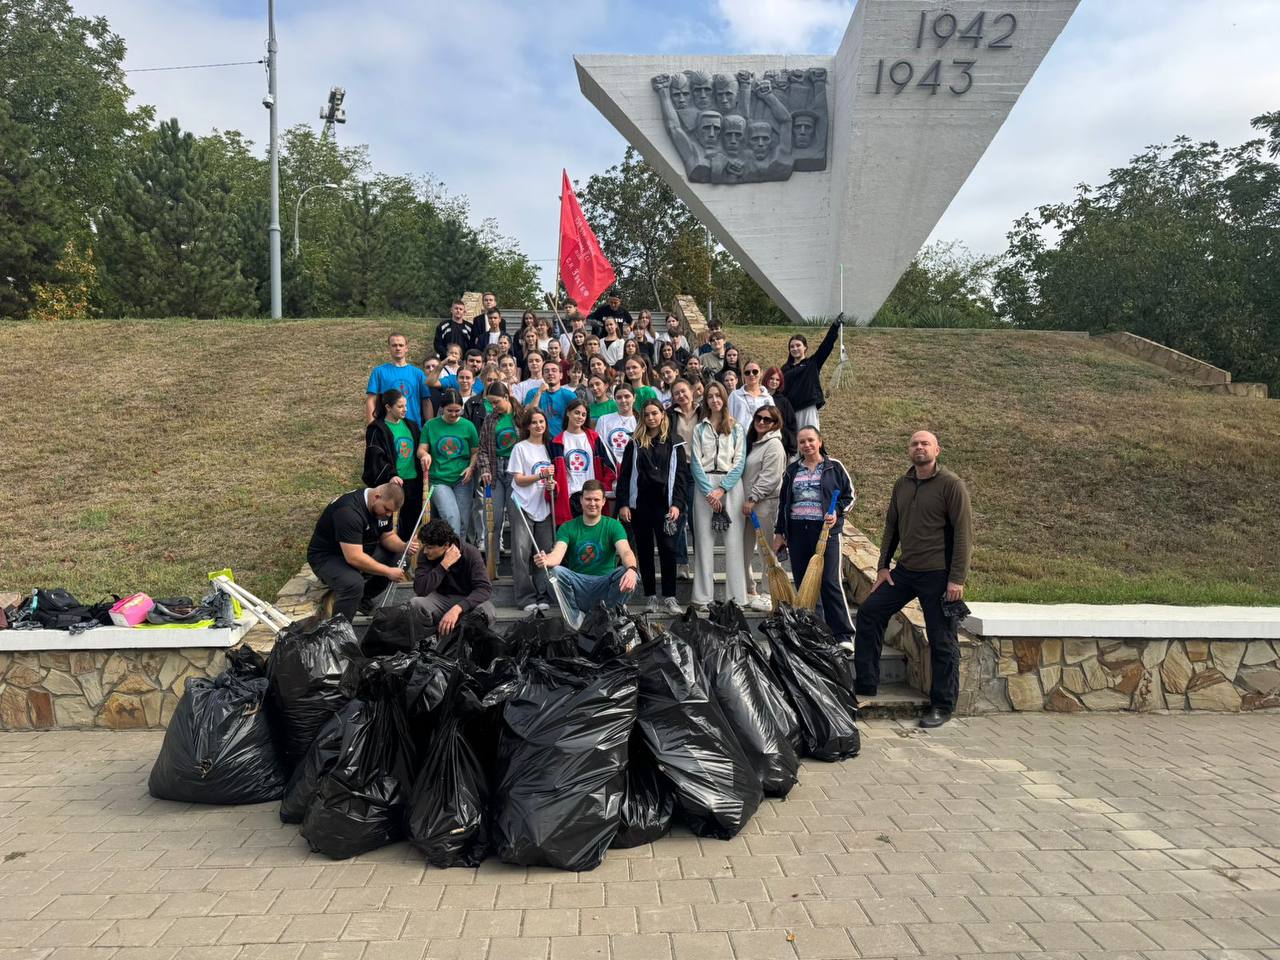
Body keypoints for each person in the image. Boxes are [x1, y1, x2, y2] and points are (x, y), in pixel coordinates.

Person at [855, 430, 973, 729]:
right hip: (905, 572)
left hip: (939, 574)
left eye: (925, 444)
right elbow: (891, 527)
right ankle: (866, 684)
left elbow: (963, 535)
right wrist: (883, 567)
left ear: (937, 450)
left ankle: (942, 705)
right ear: (909, 450)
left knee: (942, 639)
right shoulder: (902, 484)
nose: (919, 447)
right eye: (915, 444)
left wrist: (956, 579)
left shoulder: (951, 485)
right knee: (870, 611)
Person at [773, 425, 856, 643]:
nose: (807, 445)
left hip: (826, 532)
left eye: (811, 440)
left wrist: (837, 512)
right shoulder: (792, 470)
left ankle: (843, 634)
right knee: (805, 583)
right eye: (802, 442)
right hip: (798, 532)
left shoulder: (834, 467)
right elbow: (784, 504)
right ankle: (815, 632)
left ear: (820, 441)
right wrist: (780, 532)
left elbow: (849, 497)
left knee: (830, 582)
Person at [535, 480, 638, 629]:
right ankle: (575, 619)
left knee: (628, 572)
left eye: (596, 499)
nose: (592, 503)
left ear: (604, 501)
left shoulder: (613, 525)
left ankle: (609, 616)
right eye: (588, 499)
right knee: (553, 573)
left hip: (604, 585)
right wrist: (546, 559)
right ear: (581, 500)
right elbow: (557, 555)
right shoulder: (567, 527)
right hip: (578, 586)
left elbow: (626, 551)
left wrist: (632, 569)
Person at [307, 482, 417, 622]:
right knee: (353, 584)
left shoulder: (382, 507)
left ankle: (362, 599)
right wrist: (388, 571)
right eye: (387, 509)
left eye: (391, 512)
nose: (388, 514)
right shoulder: (349, 512)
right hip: (328, 557)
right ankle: (338, 628)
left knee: (401, 560)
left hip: (359, 548)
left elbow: (387, 536)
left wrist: (404, 546)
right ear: (377, 497)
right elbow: (354, 557)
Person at [616, 400, 688, 614]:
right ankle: (650, 597)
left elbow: (681, 477)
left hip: (665, 505)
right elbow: (625, 474)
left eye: (654, 413)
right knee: (644, 550)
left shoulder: (675, 442)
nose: (651, 418)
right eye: (646, 415)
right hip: (640, 504)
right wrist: (623, 504)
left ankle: (670, 597)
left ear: (662, 414)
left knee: (668, 550)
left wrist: (677, 504)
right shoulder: (634, 442)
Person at [689, 381, 748, 611]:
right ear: (706, 400)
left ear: (724, 398)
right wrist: (709, 492)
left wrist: (722, 489)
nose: (714, 400)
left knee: (734, 543)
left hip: (730, 486)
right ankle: (703, 597)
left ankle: (736, 598)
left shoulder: (736, 428)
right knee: (704, 542)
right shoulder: (699, 429)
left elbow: (739, 462)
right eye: (710, 396)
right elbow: (695, 462)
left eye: (718, 396)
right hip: (704, 487)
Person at [363, 388, 431, 542]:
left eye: (405, 405)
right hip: (393, 483)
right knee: (389, 523)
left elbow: (420, 449)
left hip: (413, 481)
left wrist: (425, 455)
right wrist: (391, 475)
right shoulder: (377, 429)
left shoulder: (411, 425)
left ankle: (409, 551)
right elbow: (375, 457)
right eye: (400, 406)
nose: (405, 409)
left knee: (412, 522)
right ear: (388, 407)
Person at [410, 519, 497, 634]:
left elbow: (484, 588)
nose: (425, 551)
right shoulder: (425, 555)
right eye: (424, 546)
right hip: (441, 599)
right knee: (415, 604)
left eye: (429, 547)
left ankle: (466, 642)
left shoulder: (470, 553)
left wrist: (457, 609)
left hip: (468, 599)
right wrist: (443, 566)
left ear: (446, 545)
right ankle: (429, 641)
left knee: (487, 612)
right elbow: (420, 589)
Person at [507, 409, 556, 612]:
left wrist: (552, 484)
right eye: (534, 422)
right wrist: (541, 475)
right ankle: (525, 597)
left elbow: (556, 476)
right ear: (527, 426)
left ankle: (542, 593)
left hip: (544, 505)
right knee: (521, 552)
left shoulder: (551, 448)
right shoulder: (520, 448)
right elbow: (518, 479)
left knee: (544, 551)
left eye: (541, 421)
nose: (538, 426)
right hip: (522, 503)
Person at [741, 405, 787, 612]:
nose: (761, 422)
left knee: (767, 551)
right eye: (758, 417)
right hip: (747, 505)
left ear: (775, 423)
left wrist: (753, 498)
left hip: (764, 505)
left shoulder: (774, 445)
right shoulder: (754, 443)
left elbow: (771, 477)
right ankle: (749, 588)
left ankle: (770, 593)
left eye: (767, 419)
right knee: (744, 549)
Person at [423, 389, 480, 543]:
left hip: (463, 479)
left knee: (463, 520)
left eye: (457, 411)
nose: (454, 414)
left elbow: (475, 452)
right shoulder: (431, 425)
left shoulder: (468, 426)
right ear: (442, 408)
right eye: (450, 411)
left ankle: (458, 551)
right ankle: (450, 551)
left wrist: (471, 467)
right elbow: (421, 449)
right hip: (439, 479)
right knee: (451, 517)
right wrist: (425, 455)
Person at [550, 399, 616, 521]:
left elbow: (611, 466)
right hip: (570, 498)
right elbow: (553, 473)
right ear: (568, 413)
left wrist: (603, 489)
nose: (580, 417)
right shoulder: (557, 442)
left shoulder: (594, 438)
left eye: (583, 414)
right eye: (577, 413)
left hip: (592, 496)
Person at [780, 317, 843, 430]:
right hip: (790, 411)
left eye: (798, 345)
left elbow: (826, 346)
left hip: (808, 409)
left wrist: (834, 327)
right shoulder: (784, 369)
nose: (795, 348)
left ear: (805, 347)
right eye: (792, 346)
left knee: (810, 437)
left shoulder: (812, 363)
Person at [668, 377, 699, 581]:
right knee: (678, 517)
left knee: (697, 519)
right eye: (676, 393)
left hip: (698, 470)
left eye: (683, 391)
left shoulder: (703, 412)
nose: (681, 395)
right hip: (678, 469)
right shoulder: (669, 415)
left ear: (692, 391)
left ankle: (702, 563)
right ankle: (681, 562)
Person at [365, 333, 428, 427]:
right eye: (394, 345)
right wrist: (372, 426)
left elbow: (426, 402)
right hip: (387, 427)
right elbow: (371, 400)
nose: (398, 348)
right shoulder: (379, 372)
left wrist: (430, 427)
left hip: (413, 427)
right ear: (389, 348)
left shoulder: (418, 373)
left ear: (406, 348)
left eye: (401, 345)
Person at [595, 383, 637, 470]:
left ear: (634, 397)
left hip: (633, 470)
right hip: (611, 470)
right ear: (614, 399)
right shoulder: (603, 420)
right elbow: (599, 449)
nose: (623, 400)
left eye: (627, 396)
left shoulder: (640, 421)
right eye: (619, 397)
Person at [762, 366, 797, 458]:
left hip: (779, 443)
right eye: (771, 378)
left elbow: (791, 425)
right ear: (766, 378)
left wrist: (791, 446)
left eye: (777, 380)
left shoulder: (784, 402)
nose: (774, 382)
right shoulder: (759, 397)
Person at [537, 360, 577, 437]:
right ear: (543, 376)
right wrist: (539, 393)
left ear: (561, 375)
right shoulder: (533, 393)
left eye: (554, 370)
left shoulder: (570, 396)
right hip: (540, 440)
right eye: (546, 371)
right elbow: (528, 416)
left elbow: (577, 420)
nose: (550, 373)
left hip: (563, 439)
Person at [729, 359, 772, 427]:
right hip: (740, 433)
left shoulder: (768, 398)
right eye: (747, 372)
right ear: (743, 375)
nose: (751, 374)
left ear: (761, 373)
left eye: (755, 372)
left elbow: (773, 420)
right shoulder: (735, 395)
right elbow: (729, 419)